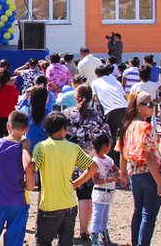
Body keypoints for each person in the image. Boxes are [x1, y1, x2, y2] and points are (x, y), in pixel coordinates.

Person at [31, 111, 98, 246]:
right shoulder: (74, 148)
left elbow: (32, 168)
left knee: (43, 242)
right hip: (70, 204)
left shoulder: (41, 147)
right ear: (63, 129)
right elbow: (93, 167)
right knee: (66, 242)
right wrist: (75, 184)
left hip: (49, 205)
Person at [0, 111, 35, 246]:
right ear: (26, 129)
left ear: (7, 126)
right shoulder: (24, 150)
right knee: (15, 239)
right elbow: (30, 186)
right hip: (19, 201)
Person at [118, 92, 161, 246]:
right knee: (148, 216)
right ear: (139, 107)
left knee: (138, 213)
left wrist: (123, 173)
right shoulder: (146, 127)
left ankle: (135, 243)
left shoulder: (128, 126)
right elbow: (150, 157)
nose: (152, 107)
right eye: (149, 104)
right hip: (149, 174)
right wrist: (160, 182)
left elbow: (123, 153)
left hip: (134, 173)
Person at [64, 83, 109, 239]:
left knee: (66, 193)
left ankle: (63, 230)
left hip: (68, 160)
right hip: (88, 160)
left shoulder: (67, 113)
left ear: (76, 97)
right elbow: (106, 136)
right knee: (85, 195)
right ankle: (84, 230)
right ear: (91, 98)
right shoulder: (97, 115)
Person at [91, 64, 127, 164]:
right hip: (125, 108)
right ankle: (123, 159)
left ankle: (112, 161)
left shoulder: (95, 82)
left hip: (112, 110)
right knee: (124, 136)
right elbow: (123, 96)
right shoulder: (116, 81)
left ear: (97, 75)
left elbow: (96, 98)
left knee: (110, 137)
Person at [90, 134, 120, 246]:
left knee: (105, 217)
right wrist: (110, 179)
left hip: (109, 192)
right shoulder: (95, 161)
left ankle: (105, 239)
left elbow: (116, 170)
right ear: (105, 146)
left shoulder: (109, 159)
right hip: (100, 192)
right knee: (97, 216)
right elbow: (96, 180)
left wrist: (120, 174)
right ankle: (95, 241)